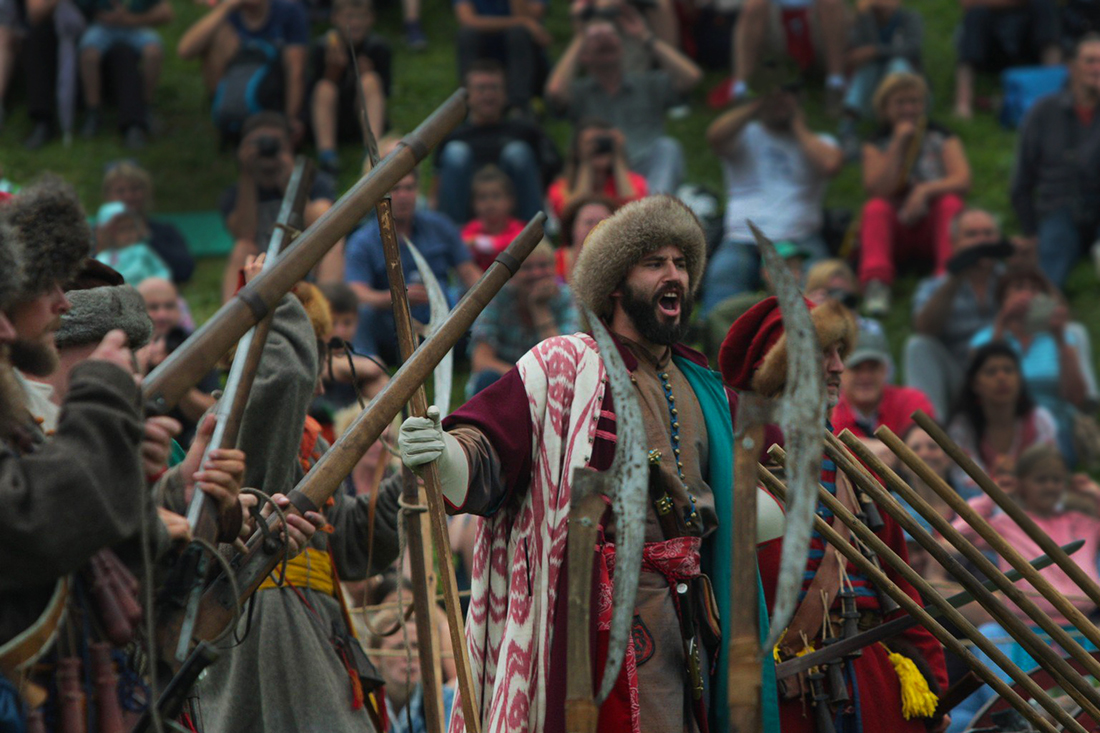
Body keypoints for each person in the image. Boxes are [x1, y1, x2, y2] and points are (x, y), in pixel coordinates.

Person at [397, 195, 778, 732]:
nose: (675, 274)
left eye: (683, 264)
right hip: (590, 628)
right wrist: (444, 454)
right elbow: (486, 450)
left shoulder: (705, 386)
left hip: (690, 622)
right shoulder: (564, 364)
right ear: (616, 283)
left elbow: (755, 504)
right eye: (655, 264)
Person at [718, 295, 950, 733]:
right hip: (788, 697)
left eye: (839, 353)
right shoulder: (731, 473)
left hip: (876, 687)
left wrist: (933, 687)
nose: (838, 367)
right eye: (823, 352)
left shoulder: (857, 472)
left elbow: (902, 593)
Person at [190, 260, 392, 732]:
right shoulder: (238, 422)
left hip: (315, 624)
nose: (321, 380)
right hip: (263, 629)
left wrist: (411, 489)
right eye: (315, 354)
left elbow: (344, 544)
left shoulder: (310, 438)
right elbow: (282, 379)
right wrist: (276, 298)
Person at [947, 443, 1100, 728]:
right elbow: (958, 535)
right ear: (1022, 484)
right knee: (990, 636)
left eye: (1057, 479)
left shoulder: (1081, 520)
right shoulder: (1006, 524)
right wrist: (991, 496)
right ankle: (1022, 718)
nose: (1050, 486)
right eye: (1041, 479)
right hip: (1025, 635)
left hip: (1082, 632)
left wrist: (1091, 492)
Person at [702, 84, 842, 312]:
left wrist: (796, 124)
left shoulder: (820, 141)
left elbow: (830, 164)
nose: (779, 100)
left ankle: (819, 345)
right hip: (743, 236)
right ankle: (714, 343)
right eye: (772, 94)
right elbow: (714, 136)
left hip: (801, 238)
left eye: (786, 93)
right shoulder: (744, 134)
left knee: (822, 296)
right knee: (723, 283)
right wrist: (756, 104)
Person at [545, 8, 702, 193]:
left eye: (612, 34)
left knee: (668, 147)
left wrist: (645, 37)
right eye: (596, 38)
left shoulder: (647, 83)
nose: (605, 40)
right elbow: (554, 91)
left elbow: (692, 77)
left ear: (622, 46)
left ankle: (654, 212)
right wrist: (580, 37)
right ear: (584, 55)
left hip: (648, 172)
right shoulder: (579, 91)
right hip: (601, 171)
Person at [859, 71, 971, 316]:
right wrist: (898, 144)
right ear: (885, 107)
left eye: (914, 102)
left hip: (933, 225)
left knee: (951, 203)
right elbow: (877, 188)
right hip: (896, 227)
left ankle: (946, 279)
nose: (909, 109)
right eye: (900, 103)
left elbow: (962, 179)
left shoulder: (942, 136)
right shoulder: (875, 143)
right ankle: (877, 285)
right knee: (875, 208)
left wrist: (925, 190)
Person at [344, 169, 481, 365]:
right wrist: (396, 297)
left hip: (446, 324)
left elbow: (470, 273)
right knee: (364, 313)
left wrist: (489, 300)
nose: (403, 196)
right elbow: (356, 293)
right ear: (380, 196)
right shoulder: (362, 241)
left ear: (418, 191)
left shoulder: (440, 225)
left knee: (480, 303)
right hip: (393, 330)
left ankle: (482, 358)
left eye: (409, 188)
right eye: (395, 189)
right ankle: (367, 365)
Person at [969, 264, 1095, 465]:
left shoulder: (1062, 337)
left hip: (1056, 428)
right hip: (1002, 429)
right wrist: (1002, 322)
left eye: (1034, 289)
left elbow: (1076, 398)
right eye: (1019, 288)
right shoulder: (984, 339)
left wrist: (1060, 338)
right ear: (1002, 298)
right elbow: (978, 384)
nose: (1027, 295)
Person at [218, 112, 340, 301]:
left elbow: (324, 229)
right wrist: (247, 173)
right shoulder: (236, 193)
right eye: (259, 143)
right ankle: (231, 323)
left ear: (289, 144)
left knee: (333, 241)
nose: (267, 148)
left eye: (275, 142)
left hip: (306, 260)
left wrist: (291, 181)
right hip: (260, 265)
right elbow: (244, 233)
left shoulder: (314, 182)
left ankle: (329, 312)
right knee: (241, 247)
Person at [1010, 34, 1100, 288]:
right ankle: (1043, 323)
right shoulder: (1043, 111)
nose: (1097, 68)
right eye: (1090, 61)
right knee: (1047, 273)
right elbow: (1021, 180)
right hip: (1059, 208)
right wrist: (1031, 231)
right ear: (1072, 67)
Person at [905, 208, 1008, 418]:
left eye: (988, 234)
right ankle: (930, 436)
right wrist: (955, 279)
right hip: (959, 378)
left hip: (1007, 373)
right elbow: (924, 328)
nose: (982, 241)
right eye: (972, 235)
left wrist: (1029, 269)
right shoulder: (935, 287)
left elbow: (1050, 320)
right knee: (918, 345)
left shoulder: (1015, 279)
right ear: (954, 244)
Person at [434, 59, 560, 223]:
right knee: (455, 152)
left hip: (517, 215)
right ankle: (450, 240)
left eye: (494, 88)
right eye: (481, 88)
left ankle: (535, 238)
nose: (488, 95)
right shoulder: (453, 136)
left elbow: (554, 177)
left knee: (518, 152)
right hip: (466, 218)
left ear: (505, 93)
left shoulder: (526, 132)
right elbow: (436, 190)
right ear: (466, 95)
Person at [176, 0, 308, 140]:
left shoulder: (289, 10)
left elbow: (296, 71)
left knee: (292, 58)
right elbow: (185, 51)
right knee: (214, 38)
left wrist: (291, 119)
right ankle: (226, 114)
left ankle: (273, 123)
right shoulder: (230, 15)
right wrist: (225, 8)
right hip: (236, 89)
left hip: (273, 98)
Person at [466, 240, 577, 396]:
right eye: (527, 268)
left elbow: (562, 364)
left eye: (543, 266)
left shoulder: (566, 298)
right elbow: (481, 361)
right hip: (503, 381)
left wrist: (539, 308)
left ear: (554, 269)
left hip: (549, 387)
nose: (536, 273)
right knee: (487, 378)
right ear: (513, 274)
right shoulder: (497, 298)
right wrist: (526, 381)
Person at [948, 341, 1058, 484]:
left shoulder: (1040, 420)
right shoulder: (962, 427)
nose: (1001, 378)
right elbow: (964, 480)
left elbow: (1050, 474)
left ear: (1020, 379)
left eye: (1008, 370)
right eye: (991, 372)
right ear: (975, 384)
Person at [309, 0, 391, 175]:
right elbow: (311, 96)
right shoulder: (322, 47)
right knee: (324, 87)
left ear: (371, 19)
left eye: (361, 17)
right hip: (332, 119)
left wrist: (366, 74)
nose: (355, 23)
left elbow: (385, 93)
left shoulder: (378, 48)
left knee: (370, 80)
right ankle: (327, 156)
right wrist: (333, 72)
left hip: (363, 116)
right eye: (349, 17)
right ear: (335, 18)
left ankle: (372, 150)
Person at [135, 277, 218, 444]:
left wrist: (173, 377)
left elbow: (212, 412)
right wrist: (138, 371)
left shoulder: (195, 345)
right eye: (153, 307)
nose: (162, 314)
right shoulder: (126, 346)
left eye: (169, 306)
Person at [77, 0, 172, 145]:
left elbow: (166, 13)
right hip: (103, 27)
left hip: (133, 27)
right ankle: (93, 111)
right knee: (89, 55)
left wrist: (131, 19)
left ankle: (147, 107)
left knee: (154, 53)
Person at [727, 0, 848, 113]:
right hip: (776, 28)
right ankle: (742, 89)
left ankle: (835, 83)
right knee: (754, 5)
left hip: (817, 28)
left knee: (831, 3)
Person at [839, 0, 923, 154]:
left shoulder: (910, 18)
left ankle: (899, 131)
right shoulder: (865, 20)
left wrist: (876, 51)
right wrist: (864, 17)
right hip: (874, 95)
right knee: (868, 67)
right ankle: (848, 130)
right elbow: (859, 52)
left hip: (909, 95)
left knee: (898, 64)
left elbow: (912, 49)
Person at [953, 0, 1061, 119]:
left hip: (1028, 38)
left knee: (1044, 6)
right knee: (976, 15)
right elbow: (968, 3)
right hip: (991, 43)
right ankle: (963, 103)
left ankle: (1054, 93)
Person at [831, 326, 936, 439]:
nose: (865, 376)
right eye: (856, 368)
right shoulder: (830, 413)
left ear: (886, 370)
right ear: (841, 372)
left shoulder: (911, 401)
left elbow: (928, 444)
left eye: (873, 367)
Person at [101, 160, 195, 283]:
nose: (129, 196)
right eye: (120, 191)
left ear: (146, 192)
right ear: (108, 196)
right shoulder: (96, 235)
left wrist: (148, 238)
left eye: (135, 189)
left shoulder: (164, 231)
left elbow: (185, 270)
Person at [454, 0, 550, 115]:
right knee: (467, 35)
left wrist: (523, 20)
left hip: (526, 57)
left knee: (519, 33)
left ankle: (518, 106)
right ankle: (470, 100)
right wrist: (522, 21)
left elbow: (532, 20)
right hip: (486, 50)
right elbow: (467, 20)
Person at [547, 117, 646, 219]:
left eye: (603, 141)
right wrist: (585, 162)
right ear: (576, 149)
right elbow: (570, 216)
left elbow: (636, 212)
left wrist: (618, 156)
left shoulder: (635, 181)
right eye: (590, 142)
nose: (597, 147)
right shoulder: (561, 187)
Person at [460, 165, 526, 271]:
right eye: (482, 197)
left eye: (496, 196)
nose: (489, 203)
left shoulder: (518, 228)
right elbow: (461, 252)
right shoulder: (470, 229)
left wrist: (479, 243)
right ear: (473, 203)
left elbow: (515, 246)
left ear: (510, 201)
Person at [93, 201, 172, 285]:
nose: (128, 233)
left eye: (131, 227)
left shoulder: (141, 250)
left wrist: (159, 283)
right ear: (109, 234)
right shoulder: (104, 257)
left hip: (147, 292)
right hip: (118, 295)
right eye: (122, 229)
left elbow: (161, 270)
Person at [554, 193, 616, 283]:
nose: (595, 227)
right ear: (572, 227)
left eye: (602, 222)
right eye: (589, 222)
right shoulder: (554, 260)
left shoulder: (620, 261)